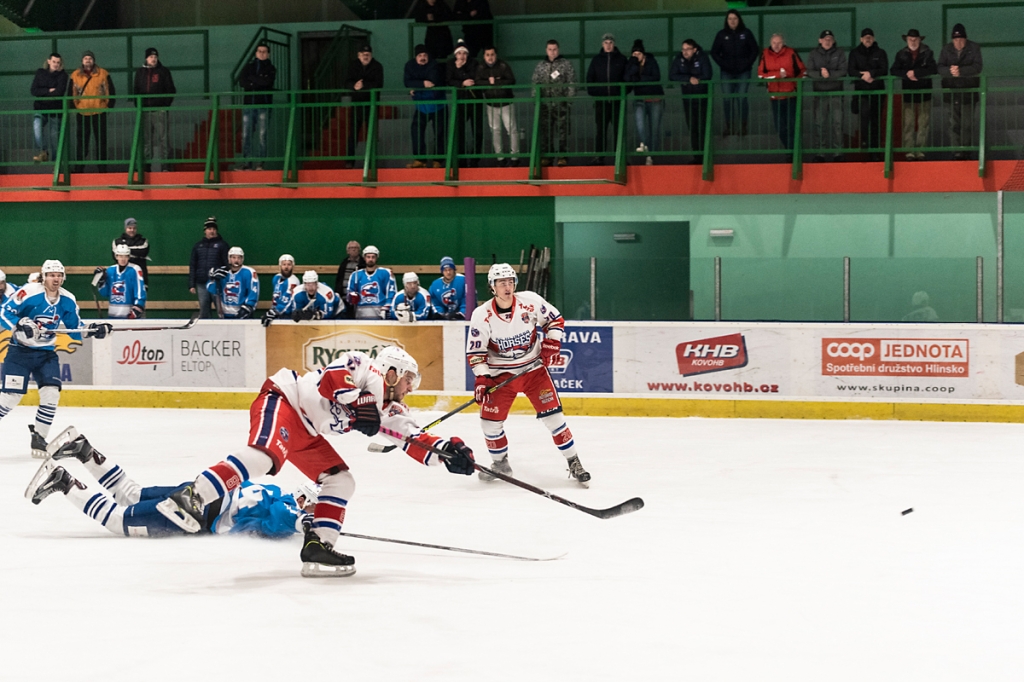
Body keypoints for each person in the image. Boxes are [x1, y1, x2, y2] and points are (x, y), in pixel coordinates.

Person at [161, 346, 477, 577]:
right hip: (285, 399)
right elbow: (332, 379)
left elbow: (413, 439)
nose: (410, 389)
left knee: (341, 480)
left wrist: (450, 452)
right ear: (392, 372)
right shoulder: (365, 364)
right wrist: (361, 401)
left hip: (308, 432)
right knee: (263, 457)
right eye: (409, 380)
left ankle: (319, 546)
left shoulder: (390, 411)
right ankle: (192, 496)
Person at [27, 430, 314, 539]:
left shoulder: (275, 491)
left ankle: (85, 451)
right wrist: (305, 523)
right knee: (119, 520)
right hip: (196, 514)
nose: (310, 509)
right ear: (302, 499)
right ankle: (64, 482)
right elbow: (282, 519)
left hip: (201, 491)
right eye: (310, 504)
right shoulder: (286, 506)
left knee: (132, 494)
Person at [467, 263, 590, 487]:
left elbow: (555, 320)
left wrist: (552, 342)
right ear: (492, 287)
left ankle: (574, 462)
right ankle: (500, 463)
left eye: (510, 281)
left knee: (554, 418)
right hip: (500, 375)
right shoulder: (481, 316)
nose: (507, 286)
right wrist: (482, 377)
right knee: (489, 424)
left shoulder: (530, 301)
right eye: (501, 283)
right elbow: (476, 352)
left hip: (533, 371)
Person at [0, 260, 110, 458]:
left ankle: (39, 437)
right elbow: (4, 312)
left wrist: (94, 330)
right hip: (20, 352)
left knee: (51, 394)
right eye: (51, 275)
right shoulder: (29, 292)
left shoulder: (68, 299)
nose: (55, 278)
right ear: (44, 277)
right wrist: (19, 324)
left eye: (59, 275)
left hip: (45, 354)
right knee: (10, 397)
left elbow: (75, 327)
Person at [938, 23, 983, 160]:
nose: (958, 42)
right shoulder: (946, 49)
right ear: (952, 40)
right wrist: (951, 72)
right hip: (951, 92)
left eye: (961, 39)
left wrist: (961, 71)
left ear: (966, 39)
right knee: (954, 124)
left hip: (969, 91)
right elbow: (939, 67)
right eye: (956, 40)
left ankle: (966, 150)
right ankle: (957, 151)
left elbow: (978, 66)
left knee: (967, 124)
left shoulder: (974, 48)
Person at [891, 29, 937, 161]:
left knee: (924, 123)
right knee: (908, 123)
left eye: (915, 39)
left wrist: (916, 73)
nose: (913, 41)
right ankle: (909, 151)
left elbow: (933, 68)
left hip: (924, 92)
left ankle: (920, 150)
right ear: (906, 40)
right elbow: (894, 70)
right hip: (909, 93)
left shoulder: (927, 52)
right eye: (910, 39)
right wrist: (907, 74)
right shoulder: (901, 54)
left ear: (920, 40)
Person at [711, 10, 759, 136]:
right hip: (726, 72)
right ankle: (729, 126)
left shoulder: (746, 33)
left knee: (742, 98)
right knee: (727, 99)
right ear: (726, 21)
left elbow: (754, 50)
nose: (732, 21)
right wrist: (724, 64)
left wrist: (747, 64)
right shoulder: (721, 35)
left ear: (739, 20)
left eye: (735, 18)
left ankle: (743, 126)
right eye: (730, 19)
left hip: (744, 71)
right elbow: (714, 52)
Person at [531, 40, 577, 167]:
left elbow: (572, 83)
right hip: (545, 105)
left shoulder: (566, 65)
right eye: (550, 49)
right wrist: (537, 102)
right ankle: (547, 156)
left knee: (563, 132)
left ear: (559, 49)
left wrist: (568, 102)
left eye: (555, 49)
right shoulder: (540, 66)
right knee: (546, 132)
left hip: (561, 105)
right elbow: (535, 84)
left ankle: (563, 156)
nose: (552, 52)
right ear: (546, 50)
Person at [69, 51, 116, 173]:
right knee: (82, 142)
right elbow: (71, 93)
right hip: (82, 112)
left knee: (101, 142)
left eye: (90, 58)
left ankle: (102, 168)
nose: (88, 60)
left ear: (93, 60)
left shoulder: (103, 74)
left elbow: (111, 92)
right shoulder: (75, 76)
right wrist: (75, 108)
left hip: (99, 112)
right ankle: (79, 169)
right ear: (82, 61)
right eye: (85, 58)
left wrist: (107, 107)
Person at [758, 33, 806, 151]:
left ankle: (793, 152)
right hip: (775, 97)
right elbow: (760, 75)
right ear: (770, 43)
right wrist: (777, 75)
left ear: (783, 42)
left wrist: (794, 84)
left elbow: (803, 71)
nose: (776, 45)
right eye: (774, 43)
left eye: (779, 42)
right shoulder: (764, 54)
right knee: (780, 128)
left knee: (792, 126)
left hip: (791, 95)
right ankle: (790, 149)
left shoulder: (791, 53)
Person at [586, 33, 627, 166]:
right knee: (601, 130)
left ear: (614, 44)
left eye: (610, 42)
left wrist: (622, 93)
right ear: (602, 44)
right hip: (601, 102)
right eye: (606, 43)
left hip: (617, 101)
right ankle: (599, 156)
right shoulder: (596, 60)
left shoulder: (622, 59)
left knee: (618, 130)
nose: (608, 45)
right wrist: (599, 94)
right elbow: (589, 81)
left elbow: (628, 79)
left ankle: (619, 156)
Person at [806, 30, 847, 162]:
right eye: (825, 39)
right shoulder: (813, 54)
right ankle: (820, 152)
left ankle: (838, 153)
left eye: (830, 39)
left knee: (838, 124)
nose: (827, 41)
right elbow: (809, 71)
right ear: (820, 40)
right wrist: (820, 75)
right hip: (819, 93)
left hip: (836, 93)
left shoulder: (839, 53)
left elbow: (843, 70)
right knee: (820, 124)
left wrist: (829, 75)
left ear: (833, 41)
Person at [132, 47, 176, 172]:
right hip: (145, 110)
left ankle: (166, 165)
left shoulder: (163, 71)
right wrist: (139, 106)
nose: (153, 59)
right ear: (146, 58)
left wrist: (165, 105)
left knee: (164, 139)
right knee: (146, 140)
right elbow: (136, 90)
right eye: (151, 57)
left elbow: (171, 89)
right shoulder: (140, 72)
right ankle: (146, 166)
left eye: (155, 57)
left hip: (159, 110)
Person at [404, 45, 448, 169]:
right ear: (415, 57)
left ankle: (438, 160)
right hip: (421, 106)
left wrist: (416, 88)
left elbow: (432, 81)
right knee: (416, 131)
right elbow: (407, 82)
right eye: (420, 56)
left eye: (425, 55)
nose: (423, 58)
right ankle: (420, 159)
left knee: (440, 133)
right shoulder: (409, 65)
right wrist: (423, 83)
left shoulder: (434, 65)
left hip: (438, 105)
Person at [669, 39, 712, 163]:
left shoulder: (702, 58)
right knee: (692, 127)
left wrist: (696, 79)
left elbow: (708, 74)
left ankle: (705, 156)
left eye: (688, 49)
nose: (685, 52)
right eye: (683, 49)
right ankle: (697, 157)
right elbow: (672, 75)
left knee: (702, 127)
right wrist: (689, 78)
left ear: (694, 49)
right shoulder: (679, 59)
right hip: (688, 98)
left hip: (702, 97)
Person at [475, 46, 519, 167]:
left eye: (492, 54)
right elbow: (477, 82)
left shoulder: (503, 66)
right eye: (487, 55)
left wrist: (496, 82)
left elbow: (511, 80)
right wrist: (490, 82)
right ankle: (500, 158)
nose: (490, 57)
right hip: (491, 104)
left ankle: (515, 157)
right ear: (484, 56)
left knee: (512, 130)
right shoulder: (480, 67)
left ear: (496, 55)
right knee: (495, 131)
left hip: (506, 102)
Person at [848, 28, 889, 160]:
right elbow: (851, 70)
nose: (868, 38)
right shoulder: (854, 53)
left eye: (870, 37)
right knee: (864, 117)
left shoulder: (880, 52)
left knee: (876, 121)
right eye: (865, 37)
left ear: (874, 38)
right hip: (862, 91)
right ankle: (865, 144)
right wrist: (863, 76)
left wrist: (871, 74)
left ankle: (875, 151)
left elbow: (884, 69)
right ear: (861, 39)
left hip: (877, 91)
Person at [237, 41, 277, 171]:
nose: (262, 54)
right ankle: (246, 163)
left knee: (262, 135)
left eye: (264, 52)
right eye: (259, 51)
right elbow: (242, 81)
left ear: (268, 54)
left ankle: (260, 163)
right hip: (249, 105)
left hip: (263, 105)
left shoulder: (271, 68)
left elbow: (267, 82)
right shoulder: (249, 67)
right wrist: (258, 80)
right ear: (256, 53)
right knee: (246, 134)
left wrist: (252, 80)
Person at [624, 39, 664, 166]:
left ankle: (651, 156)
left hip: (655, 99)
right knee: (640, 126)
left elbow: (656, 77)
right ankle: (644, 146)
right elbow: (627, 78)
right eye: (634, 54)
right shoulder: (631, 64)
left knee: (654, 129)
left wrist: (638, 79)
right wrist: (634, 66)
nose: (636, 56)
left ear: (643, 54)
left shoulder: (651, 61)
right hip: (640, 99)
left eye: (638, 54)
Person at [344, 45, 384, 168]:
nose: (365, 56)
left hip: (371, 105)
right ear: (358, 55)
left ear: (371, 55)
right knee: (353, 134)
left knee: (371, 134)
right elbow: (346, 81)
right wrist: (354, 86)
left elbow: (378, 84)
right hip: (357, 104)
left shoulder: (377, 66)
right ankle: (349, 161)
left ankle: (372, 162)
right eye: (363, 54)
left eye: (367, 54)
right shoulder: (353, 65)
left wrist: (363, 85)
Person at [447, 40, 484, 168]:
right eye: (459, 53)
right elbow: (449, 80)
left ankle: (474, 160)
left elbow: (474, 78)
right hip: (460, 102)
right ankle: (460, 161)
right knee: (459, 132)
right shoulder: (451, 64)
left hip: (475, 101)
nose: (462, 56)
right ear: (455, 55)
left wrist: (461, 71)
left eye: (464, 53)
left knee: (477, 132)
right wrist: (462, 83)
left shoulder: (474, 63)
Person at [29, 53, 68, 164]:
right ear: (49, 61)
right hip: (41, 108)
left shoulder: (63, 75)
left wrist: (43, 92)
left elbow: (59, 92)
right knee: (37, 127)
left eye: (58, 62)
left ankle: (55, 164)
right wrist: (48, 90)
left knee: (55, 138)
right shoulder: (40, 72)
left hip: (56, 110)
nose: (56, 64)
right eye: (54, 61)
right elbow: (33, 90)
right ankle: (43, 152)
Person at [188, 216, 230, 319]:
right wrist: (191, 284)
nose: (212, 231)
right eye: (209, 229)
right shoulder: (198, 246)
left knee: (221, 310)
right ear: (205, 231)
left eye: (214, 229)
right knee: (204, 311)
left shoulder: (223, 245)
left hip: (218, 284)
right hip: (202, 283)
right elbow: (193, 265)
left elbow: (227, 265)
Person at [95, 244, 147, 319]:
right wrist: (101, 280)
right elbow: (104, 293)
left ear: (129, 257)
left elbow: (140, 291)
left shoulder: (135, 269)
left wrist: (137, 308)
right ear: (116, 256)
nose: (123, 259)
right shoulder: (110, 270)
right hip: (112, 315)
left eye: (125, 256)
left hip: (129, 315)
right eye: (120, 256)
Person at [207, 246, 259, 319]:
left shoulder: (249, 272)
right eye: (233, 257)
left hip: (243, 312)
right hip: (225, 313)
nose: (236, 260)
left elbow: (253, 291)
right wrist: (213, 280)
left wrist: (248, 306)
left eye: (239, 258)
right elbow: (212, 290)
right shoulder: (222, 272)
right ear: (229, 259)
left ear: (242, 259)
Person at [347, 245, 397, 320]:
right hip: (360, 312)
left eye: (373, 257)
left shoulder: (386, 273)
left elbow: (391, 292)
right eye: (368, 257)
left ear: (377, 258)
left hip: (380, 311)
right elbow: (350, 292)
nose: (370, 259)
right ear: (364, 258)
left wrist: (386, 307)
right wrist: (351, 298)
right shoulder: (355, 274)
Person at [261, 254, 300, 327]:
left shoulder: (293, 281)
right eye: (284, 264)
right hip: (276, 314)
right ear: (280, 266)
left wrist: (274, 312)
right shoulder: (276, 278)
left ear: (293, 266)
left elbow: (288, 302)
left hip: (288, 316)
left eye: (289, 264)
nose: (286, 267)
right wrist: (272, 311)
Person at [112, 217, 151, 285]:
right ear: (125, 228)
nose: (132, 230)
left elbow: (143, 252)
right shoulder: (116, 241)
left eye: (134, 228)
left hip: (140, 275)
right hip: (122, 276)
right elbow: (114, 255)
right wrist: (135, 253)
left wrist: (124, 250)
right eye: (129, 228)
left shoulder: (143, 241)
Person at [333, 240, 365, 317]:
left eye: (355, 248)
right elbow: (339, 280)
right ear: (347, 251)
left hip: (358, 299)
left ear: (359, 250)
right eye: (351, 248)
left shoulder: (363, 263)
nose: (353, 249)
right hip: (344, 298)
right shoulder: (344, 263)